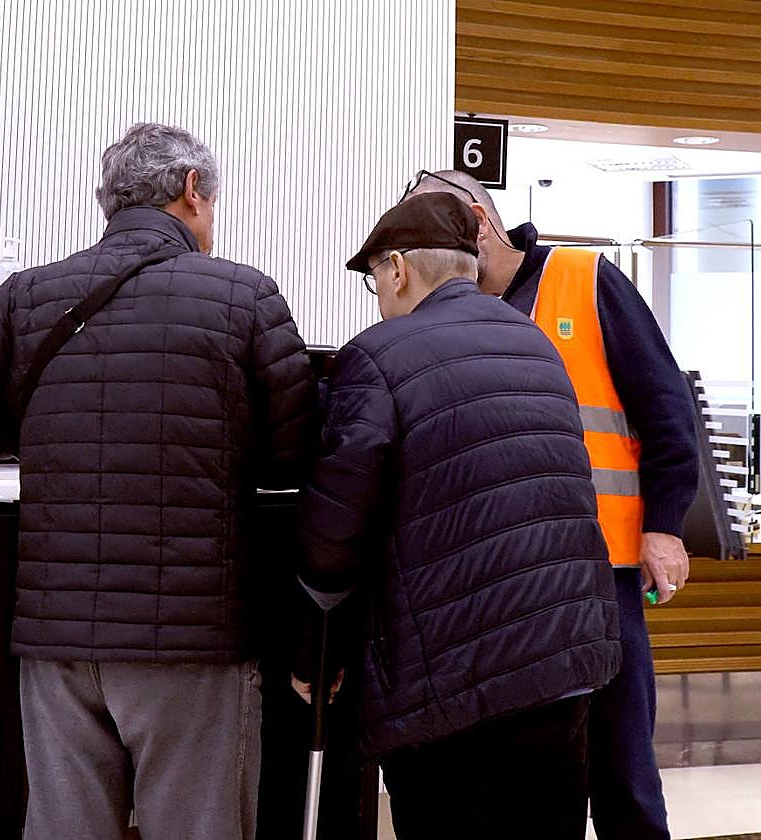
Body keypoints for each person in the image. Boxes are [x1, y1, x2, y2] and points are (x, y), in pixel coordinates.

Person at [0, 122, 315, 840]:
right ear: (191, 192)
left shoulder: (33, 293)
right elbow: (298, 445)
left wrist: (28, 438)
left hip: (56, 642)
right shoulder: (243, 296)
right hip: (193, 639)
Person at [294, 192, 621, 840]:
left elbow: (334, 532)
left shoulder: (380, 355)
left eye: (374, 282)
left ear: (397, 269)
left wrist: (314, 650)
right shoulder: (536, 347)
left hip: (451, 677)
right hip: (564, 664)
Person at [407, 169, 699, 840]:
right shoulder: (442, 310)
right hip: (503, 583)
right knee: (537, 780)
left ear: (479, 223)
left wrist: (664, 526)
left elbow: (665, 408)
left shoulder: (584, 278)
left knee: (622, 768)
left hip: (603, 571)